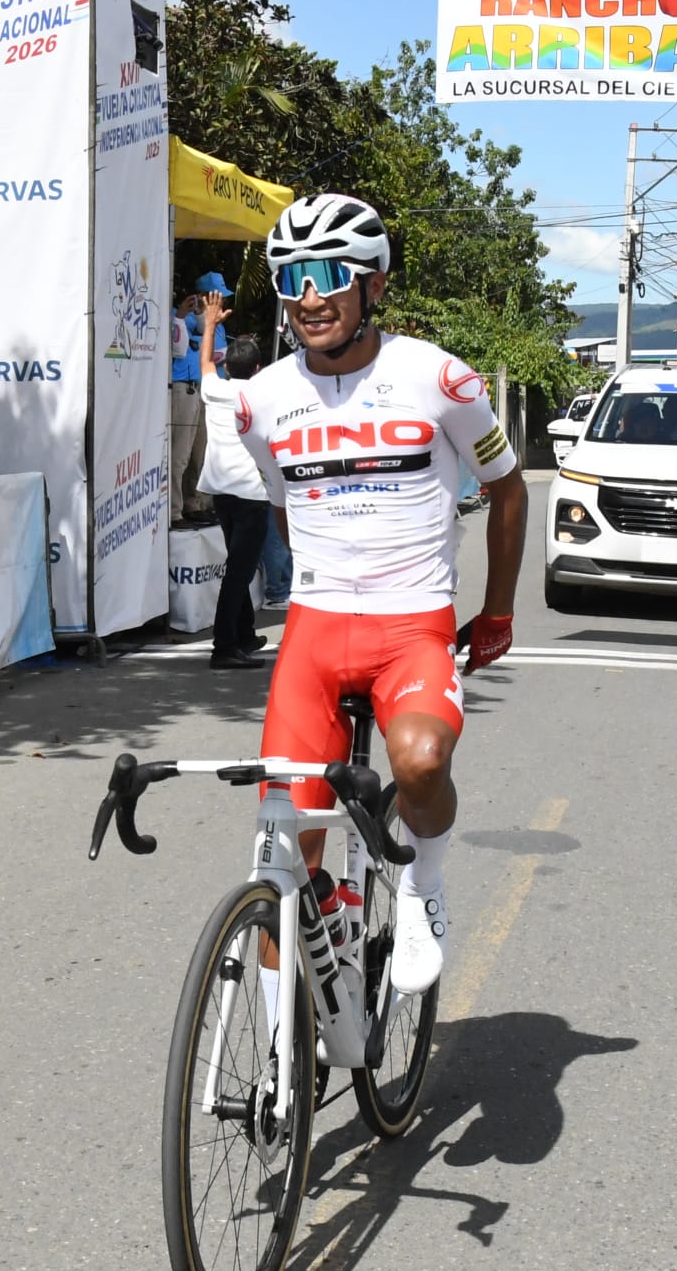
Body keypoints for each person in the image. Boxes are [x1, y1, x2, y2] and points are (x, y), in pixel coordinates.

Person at [236, 193, 527, 996]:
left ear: (377, 285)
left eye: (331, 273)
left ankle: (423, 878)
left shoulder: (439, 379)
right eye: (291, 275)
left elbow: (507, 489)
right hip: (315, 631)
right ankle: (275, 1078)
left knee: (420, 760)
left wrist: (497, 610)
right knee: (283, 858)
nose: (310, 294)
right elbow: (282, 506)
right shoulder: (259, 402)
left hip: (411, 629)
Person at [196, 290, 271, 670]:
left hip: (221, 492)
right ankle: (224, 647)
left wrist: (209, 324)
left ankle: (243, 633)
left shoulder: (215, 389)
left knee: (238, 565)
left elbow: (205, 360)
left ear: (229, 369)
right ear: (258, 369)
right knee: (239, 571)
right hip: (252, 494)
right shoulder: (262, 396)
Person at [170, 272, 232, 528]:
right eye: (215, 297)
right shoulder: (176, 316)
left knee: (200, 454)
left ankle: (192, 504)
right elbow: (180, 348)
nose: (220, 303)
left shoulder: (217, 324)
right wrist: (183, 316)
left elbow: (219, 354)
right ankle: (173, 511)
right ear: (201, 296)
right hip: (181, 389)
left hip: (203, 390)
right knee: (179, 455)